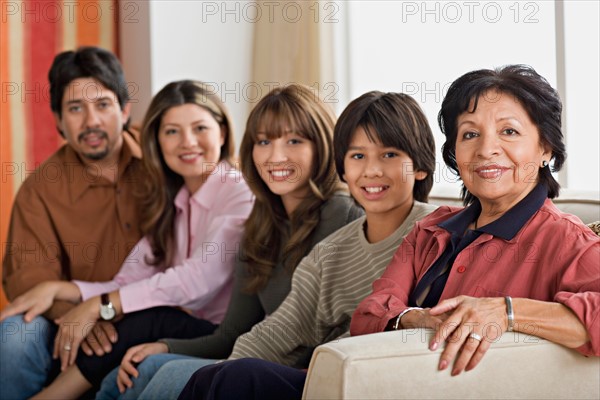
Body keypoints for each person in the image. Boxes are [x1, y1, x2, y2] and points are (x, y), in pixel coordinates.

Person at [96, 83, 364, 399]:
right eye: (264, 141)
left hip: (303, 372)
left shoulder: (342, 214)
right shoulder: (261, 223)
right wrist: (164, 346)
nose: (276, 156)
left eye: (294, 140)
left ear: (321, 145)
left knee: (165, 375)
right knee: (128, 374)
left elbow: (352, 326)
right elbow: (233, 331)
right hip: (255, 359)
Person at [0, 80, 255, 399]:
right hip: (184, 328)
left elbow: (197, 280)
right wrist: (60, 290)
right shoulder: (173, 199)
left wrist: (102, 306)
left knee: (147, 318)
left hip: (224, 336)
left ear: (222, 132)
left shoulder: (238, 191)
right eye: (172, 131)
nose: (187, 142)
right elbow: (130, 278)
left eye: (200, 128)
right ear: (158, 142)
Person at [177, 90, 440, 400]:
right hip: (328, 379)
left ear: (420, 166)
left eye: (389, 155)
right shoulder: (328, 253)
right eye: (358, 156)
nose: (371, 170)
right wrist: (225, 369)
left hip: (385, 380)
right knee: (213, 376)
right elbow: (279, 329)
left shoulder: (440, 231)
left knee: (235, 377)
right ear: (343, 167)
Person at [349, 64, 599, 380]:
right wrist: (417, 319)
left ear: (545, 148)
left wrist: (506, 311)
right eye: (470, 134)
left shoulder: (567, 241)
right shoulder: (431, 229)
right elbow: (367, 315)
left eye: (509, 131)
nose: (486, 149)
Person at [0, 46, 145, 400]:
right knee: (15, 335)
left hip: (154, 308)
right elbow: (28, 277)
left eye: (103, 105)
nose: (91, 121)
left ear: (124, 110)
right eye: (75, 109)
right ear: (59, 121)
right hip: (72, 319)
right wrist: (76, 316)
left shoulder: (162, 157)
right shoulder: (41, 189)